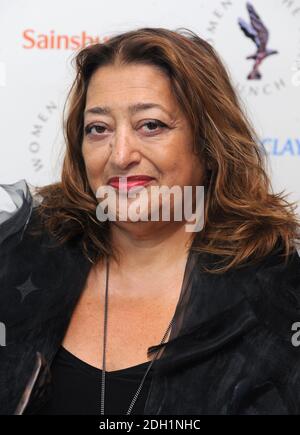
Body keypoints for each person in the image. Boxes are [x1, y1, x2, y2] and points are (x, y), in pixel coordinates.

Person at [1, 27, 300, 415]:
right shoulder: (17, 263)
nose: (120, 154)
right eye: (98, 129)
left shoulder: (281, 301)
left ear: (209, 145)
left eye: (151, 125)